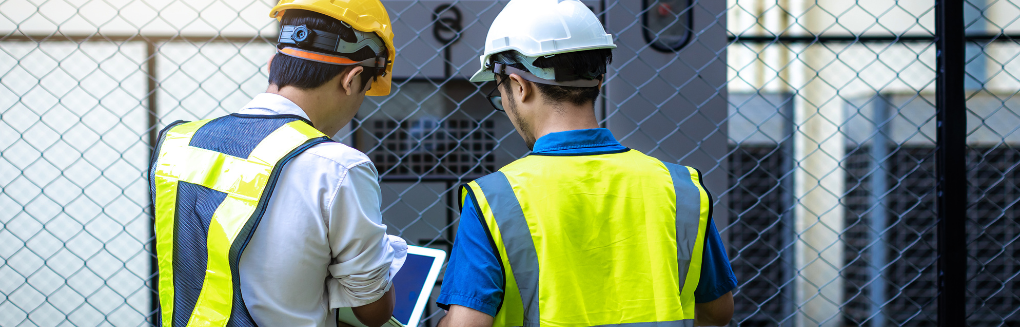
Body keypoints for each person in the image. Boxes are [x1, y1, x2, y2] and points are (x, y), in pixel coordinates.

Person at [436, 0, 737, 326]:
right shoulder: (680, 187)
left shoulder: (494, 199)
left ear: (519, 86)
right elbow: (718, 311)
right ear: (598, 81)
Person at [148, 1, 406, 326]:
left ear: (273, 64)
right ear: (352, 79)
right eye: (366, 89)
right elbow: (372, 312)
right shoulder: (337, 167)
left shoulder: (178, 143)